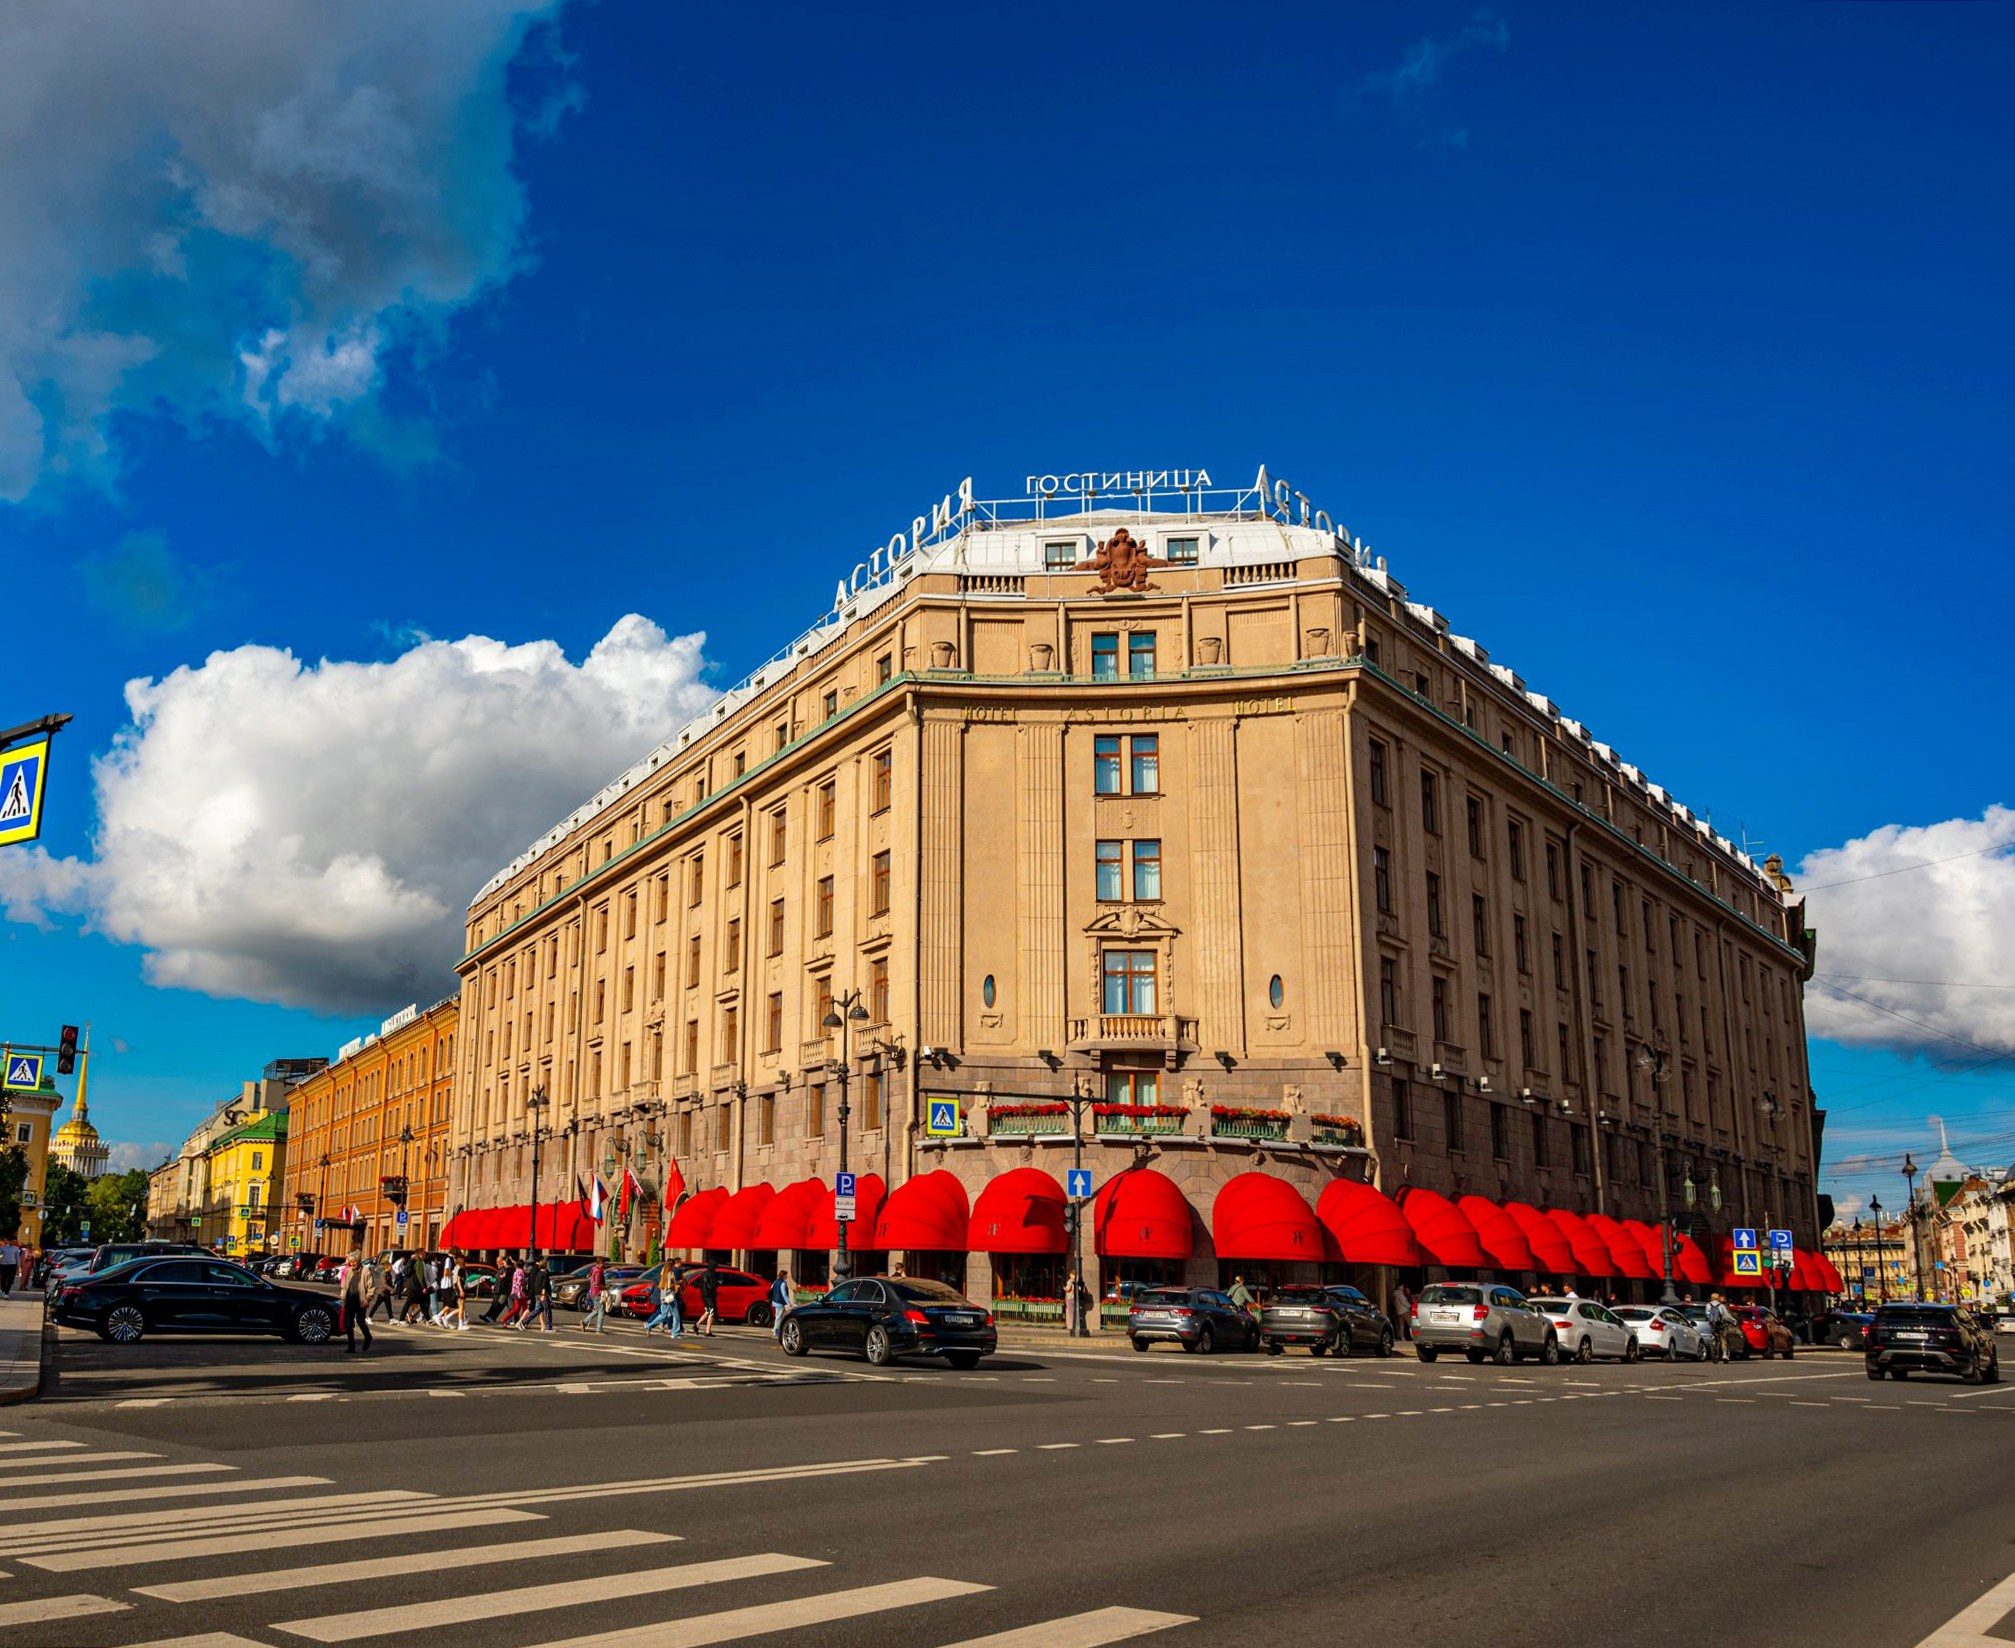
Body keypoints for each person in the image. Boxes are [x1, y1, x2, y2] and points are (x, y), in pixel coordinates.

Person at [339, 1246, 374, 1353]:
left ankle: (368, 1337)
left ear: (358, 1261)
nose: (352, 1264)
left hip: (361, 1301)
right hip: (350, 1300)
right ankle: (351, 1347)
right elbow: (344, 1287)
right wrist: (343, 1300)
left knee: (360, 1321)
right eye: (351, 1262)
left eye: (354, 1262)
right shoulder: (349, 1271)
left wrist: (368, 1299)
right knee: (349, 1324)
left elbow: (371, 1287)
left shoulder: (366, 1271)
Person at [642, 1256, 683, 1337]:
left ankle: (648, 1325)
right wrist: (677, 1283)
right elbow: (669, 1285)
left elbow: (663, 1285)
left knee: (663, 1315)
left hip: (664, 1294)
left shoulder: (663, 1272)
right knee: (676, 1315)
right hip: (670, 1295)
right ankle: (675, 1333)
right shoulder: (670, 1273)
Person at [526, 1256, 553, 1331]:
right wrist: (543, 1295)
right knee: (547, 1310)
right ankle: (549, 1327)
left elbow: (536, 1284)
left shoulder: (538, 1273)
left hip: (537, 1294)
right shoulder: (545, 1274)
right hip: (543, 1294)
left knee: (538, 1310)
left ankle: (524, 1322)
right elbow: (544, 1285)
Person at [581, 1258, 608, 1334]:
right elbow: (598, 1283)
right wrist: (605, 1287)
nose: (605, 1265)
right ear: (600, 1263)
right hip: (597, 1292)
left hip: (592, 1292)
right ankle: (599, 1329)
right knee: (601, 1310)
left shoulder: (593, 1269)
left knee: (597, 1310)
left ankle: (584, 1321)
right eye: (604, 1263)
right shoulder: (599, 1271)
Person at [769, 1269, 793, 1343]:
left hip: (775, 1301)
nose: (787, 1276)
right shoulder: (783, 1283)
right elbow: (784, 1294)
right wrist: (789, 1303)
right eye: (786, 1275)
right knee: (779, 1316)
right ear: (784, 1275)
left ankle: (776, 1328)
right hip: (780, 1302)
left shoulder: (775, 1282)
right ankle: (776, 1330)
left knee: (778, 1316)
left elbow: (771, 1290)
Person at [696, 1264, 720, 1336]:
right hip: (710, 1295)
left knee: (707, 1311)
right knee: (711, 1312)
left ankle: (697, 1324)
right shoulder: (712, 1274)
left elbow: (699, 1283)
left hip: (704, 1295)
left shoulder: (703, 1274)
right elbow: (713, 1285)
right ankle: (708, 1330)